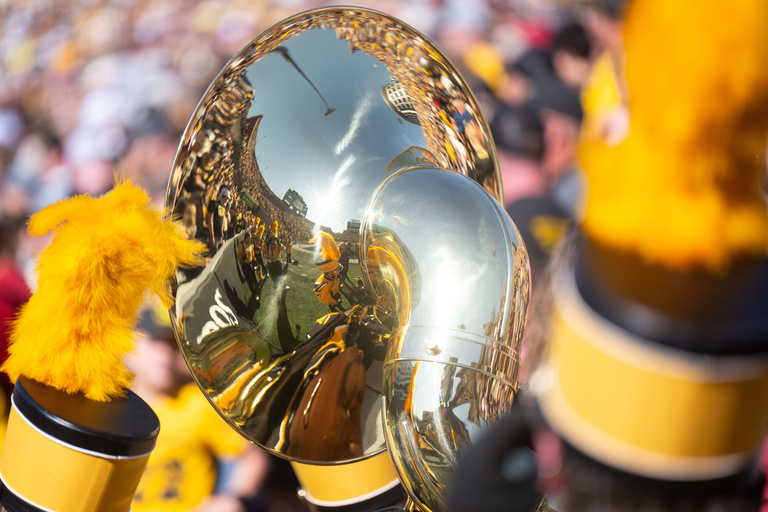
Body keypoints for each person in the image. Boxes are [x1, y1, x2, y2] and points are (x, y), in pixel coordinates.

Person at [126, 302, 270, 512]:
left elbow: (252, 458)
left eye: (173, 344)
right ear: (128, 346)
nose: (165, 353)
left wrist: (234, 500)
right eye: (155, 341)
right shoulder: (110, 408)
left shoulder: (197, 404)